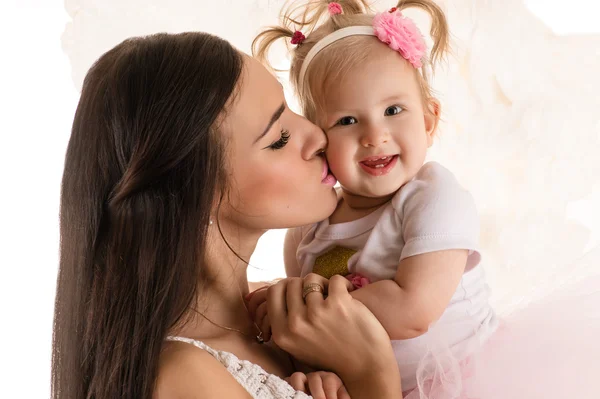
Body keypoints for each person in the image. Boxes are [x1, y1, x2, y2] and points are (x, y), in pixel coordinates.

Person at [251, 1, 600, 398]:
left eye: (393, 110)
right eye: (347, 120)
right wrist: (307, 353)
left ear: (429, 120)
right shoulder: (309, 224)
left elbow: (412, 311)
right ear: (318, 137)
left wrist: (303, 305)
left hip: (464, 379)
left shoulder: (432, 197)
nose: (374, 135)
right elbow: (311, 334)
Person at [51, 31, 403, 399]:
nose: (317, 135)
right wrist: (371, 373)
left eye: (293, 110)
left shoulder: (287, 317)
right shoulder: (184, 379)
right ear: (198, 194)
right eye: (279, 138)